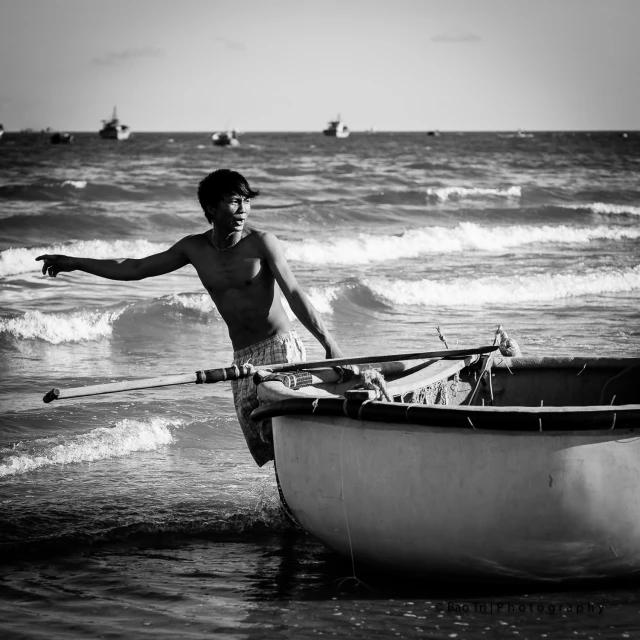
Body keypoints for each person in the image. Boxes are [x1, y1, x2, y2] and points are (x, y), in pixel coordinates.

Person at [36, 168, 344, 467]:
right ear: (211, 207)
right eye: (234, 201)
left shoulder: (262, 242)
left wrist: (329, 344)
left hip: (279, 347)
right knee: (263, 440)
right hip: (242, 357)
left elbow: (294, 292)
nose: (243, 209)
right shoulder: (194, 248)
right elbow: (135, 268)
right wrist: (75, 262)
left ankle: (320, 480)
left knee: (284, 430)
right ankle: (295, 498)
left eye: (247, 201)